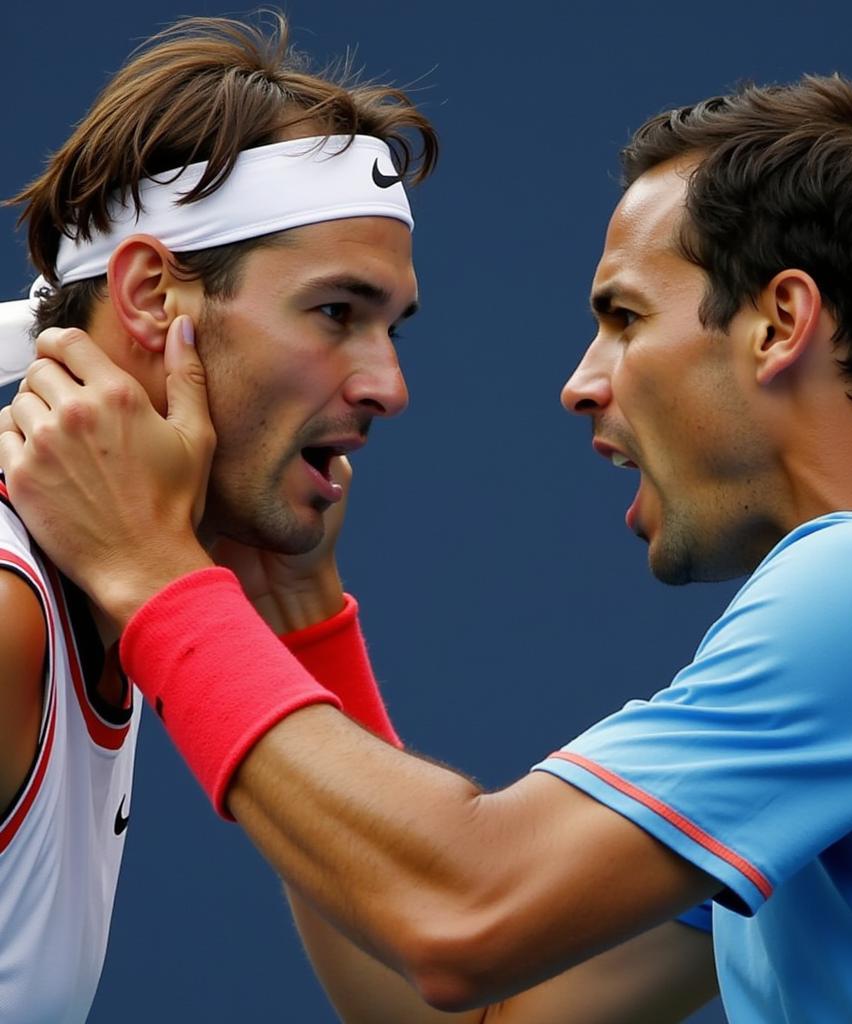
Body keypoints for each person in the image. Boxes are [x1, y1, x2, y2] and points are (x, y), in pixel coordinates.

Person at [3, 74, 852, 1023]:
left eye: (624, 317)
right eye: (335, 312)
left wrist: (154, 577)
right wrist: (291, 613)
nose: (582, 382)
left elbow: (460, 918)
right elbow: (482, 1010)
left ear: (778, 324)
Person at [0, 13, 440, 1023]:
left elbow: (433, 998)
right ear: (154, 295)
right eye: (336, 311)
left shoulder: (100, 590)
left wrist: (294, 602)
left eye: (389, 325)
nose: (388, 386)